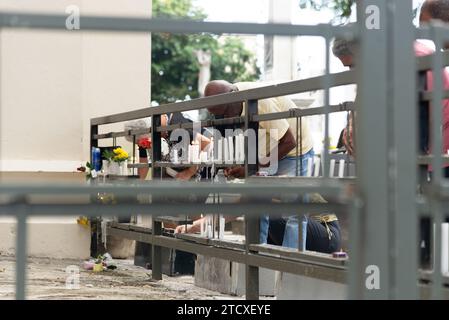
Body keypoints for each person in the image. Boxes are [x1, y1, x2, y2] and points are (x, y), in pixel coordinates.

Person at [176, 80, 342, 254]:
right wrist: (196, 226)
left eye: (224, 113)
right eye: (218, 116)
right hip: (272, 150)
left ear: (234, 99)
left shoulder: (260, 102)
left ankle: (290, 260)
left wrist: (253, 168)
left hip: (296, 150)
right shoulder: (232, 104)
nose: (224, 119)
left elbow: (289, 141)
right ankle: (258, 255)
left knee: (291, 212)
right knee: (258, 207)